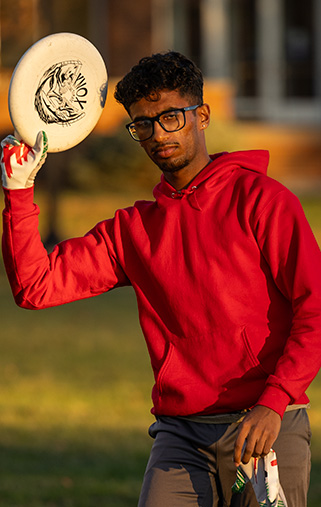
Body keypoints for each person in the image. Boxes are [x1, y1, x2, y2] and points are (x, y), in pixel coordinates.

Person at [1, 51, 321, 506]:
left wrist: (274, 401)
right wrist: (18, 192)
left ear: (202, 115)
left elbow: (316, 307)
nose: (156, 134)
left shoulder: (263, 201)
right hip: (180, 435)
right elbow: (37, 286)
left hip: (266, 424)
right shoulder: (134, 230)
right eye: (142, 124)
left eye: (170, 117)